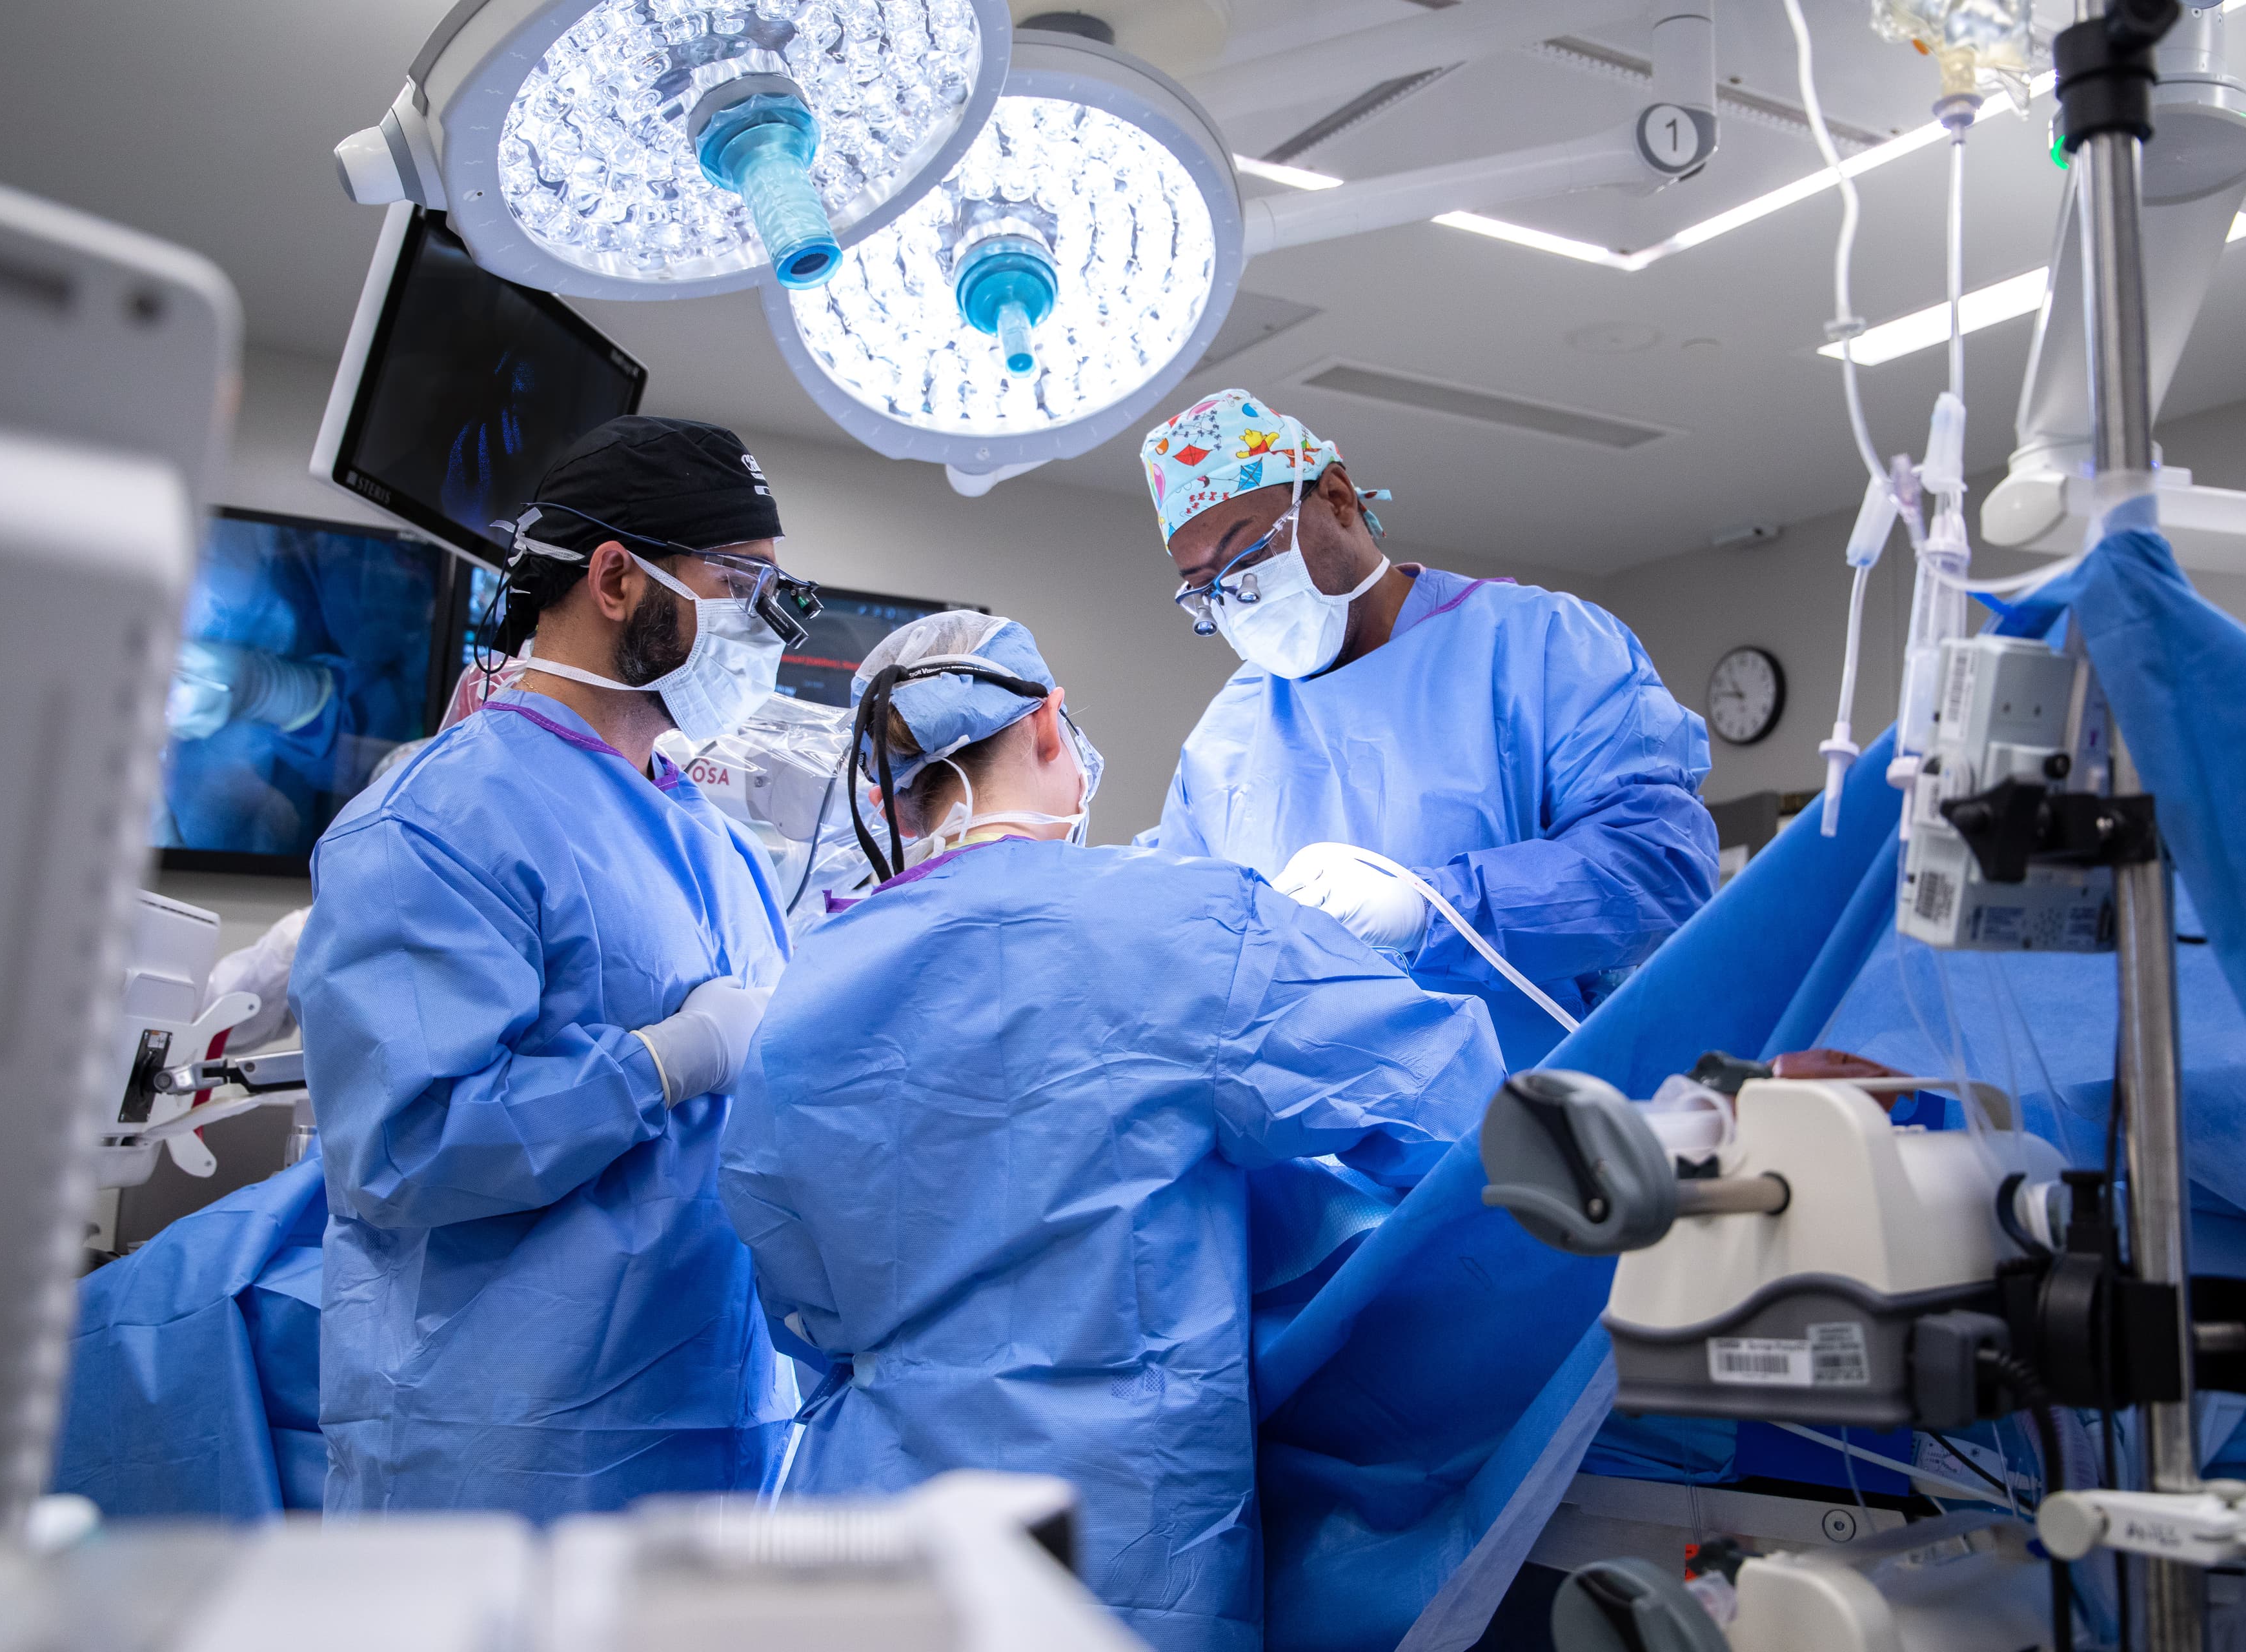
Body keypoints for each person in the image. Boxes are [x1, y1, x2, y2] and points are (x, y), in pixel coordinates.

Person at [716, 612, 1506, 1652]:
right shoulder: (1189, 925)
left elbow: (799, 1300)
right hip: (1110, 1551)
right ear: (1050, 727)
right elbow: (1460, 1118)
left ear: (890, 796)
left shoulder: (810, 982)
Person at [288, 416, 813, 1519]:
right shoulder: (439, 819)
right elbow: (405, 1149)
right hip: (504, 1445)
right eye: (741, 585)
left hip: (713, 1415)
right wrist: (662, 1062)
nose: (766, 626)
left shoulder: (717, 845)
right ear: (615, 580)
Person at [1138, 391, 1720, 1068]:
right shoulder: (1224, 743)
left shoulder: (1541, 647)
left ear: (1337, 497)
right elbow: (1182, 953)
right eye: (1207, 588)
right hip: (1314, 1134)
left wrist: (1431, 910)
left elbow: (1658, 871)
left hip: (1543, 1107)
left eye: (1251, 557)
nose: (1239, 598)